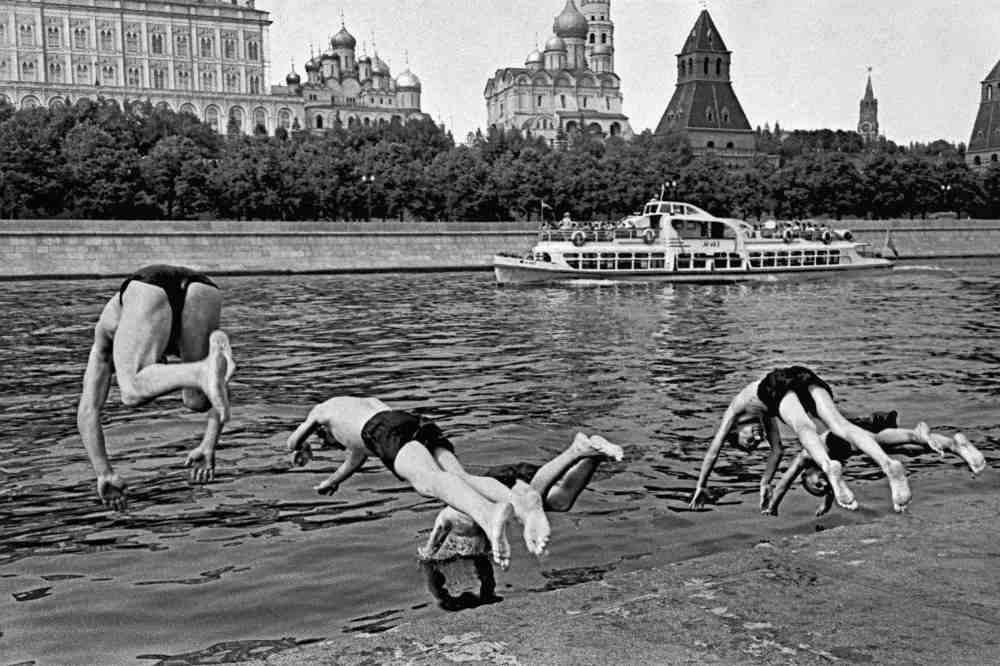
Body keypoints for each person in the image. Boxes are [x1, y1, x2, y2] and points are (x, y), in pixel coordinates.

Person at [286, 396, 551, 570]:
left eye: (328, 443)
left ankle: (488, 514)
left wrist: (302, 447)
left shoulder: (321, 411)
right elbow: (356, 457)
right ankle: (522, 505)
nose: (335, 445)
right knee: (461, 478)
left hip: (383, 431)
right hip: (411, 421)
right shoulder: (358, 405)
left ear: (322, 433)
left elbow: (292, 442)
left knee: (429, 481)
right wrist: (333, 481)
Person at [77, 264, 235, 512]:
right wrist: (208, 444)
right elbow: (221, 391)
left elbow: (88, 410)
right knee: (197, 400)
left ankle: (200, 370)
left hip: (147, 287)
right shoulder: (144, 336)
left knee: (131, 391)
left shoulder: (104, 343)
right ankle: (208, 365)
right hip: (204, 289)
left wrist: (104, 473)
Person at [689, 366, 911, 514]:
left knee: (804, 427)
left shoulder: (735, 410)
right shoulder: (766, 414)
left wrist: (701, 485)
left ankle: (828, 466)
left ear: (735, 431)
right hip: (800, 374)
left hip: (775, 383)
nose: (757, 437)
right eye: (756, 441)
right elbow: (777, 451)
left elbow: (713, 451)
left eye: (749, 440)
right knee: (840, 425)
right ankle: (887, 464)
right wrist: (765, 482)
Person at [418, 432, 625, 561]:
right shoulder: (471, 523)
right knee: (562, 501)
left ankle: (576, 450)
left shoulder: (450, 517)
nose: (461, 546)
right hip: (505, 482)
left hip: (501, 483)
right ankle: (594, 455)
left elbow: (434, 542)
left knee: (532, 502)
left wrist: (427, 555)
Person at [766, 411, 987, 516]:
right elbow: (832, 485)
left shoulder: (806, 457)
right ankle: (955, 445)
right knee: (907, 447)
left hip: (849, 434)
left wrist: (773, 506)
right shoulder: (829, 471)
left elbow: (784, 482)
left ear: (806, 475)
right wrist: (826, 505)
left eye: (817, 484)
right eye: (823, 488)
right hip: (862, 437)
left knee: (896, 442)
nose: (823, 485)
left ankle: (921, 432)